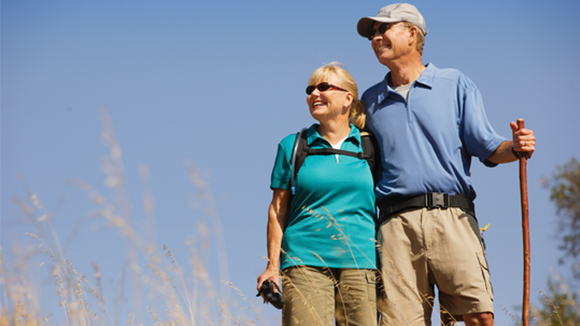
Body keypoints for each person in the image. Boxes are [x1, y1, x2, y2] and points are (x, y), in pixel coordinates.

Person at [356, 3, 536, 326]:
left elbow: (488, 146)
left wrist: (517, 147)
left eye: (384, 29)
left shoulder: (455, 84)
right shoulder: (369, 101)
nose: (376, 37)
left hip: (452, 216)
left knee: (479, 315)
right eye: (372, 33)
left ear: (412, 34)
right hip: (395, 227)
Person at [256, 62, 378, 326]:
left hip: (361, 261)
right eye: (310, 89)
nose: (314, 94)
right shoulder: (293, 145)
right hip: (304, 262)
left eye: (324, 87)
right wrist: (272, 266)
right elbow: (278, 209)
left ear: (348, 98)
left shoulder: (370, 146)